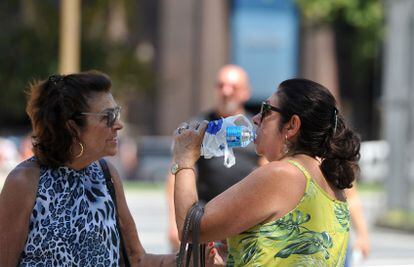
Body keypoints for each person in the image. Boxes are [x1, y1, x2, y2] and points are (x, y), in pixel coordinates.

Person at [172, 78, 361, 266]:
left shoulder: (282, 174)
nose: (254, 119)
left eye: (266, 110)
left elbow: (192, 229)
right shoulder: (331, 183)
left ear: (292, 125)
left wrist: (185, 159)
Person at [0, 71, 175, 266]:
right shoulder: (25, 181)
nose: (118, 124)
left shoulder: (106, 173)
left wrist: (190, 260)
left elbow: (137, 258)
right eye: (107, 117)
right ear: (72, 127)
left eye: (115, 114)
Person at [166, 64, 260, 251]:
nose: (226, 92)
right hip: (206, 221)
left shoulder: (257, 128)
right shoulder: (198, 127)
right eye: (221, 85)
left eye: (233, 87)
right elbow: (175, 173)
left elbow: (267, 168)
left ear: (246, 92)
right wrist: (172, 222)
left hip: (245, 224)